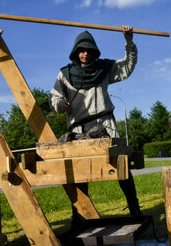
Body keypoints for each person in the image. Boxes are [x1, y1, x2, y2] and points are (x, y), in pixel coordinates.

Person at [49, 26, 142, 218]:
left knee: (120, 164)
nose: (85, 54)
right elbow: (53, 98)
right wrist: (61, 104)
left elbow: (127, 67)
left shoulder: (104, 69)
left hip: (105, 123)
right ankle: (80, 215)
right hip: (78, 127)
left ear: (94, 52)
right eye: (82, 50)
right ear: (76, 52)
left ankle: (134, 207)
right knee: (79, 172)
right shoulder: (64, 74)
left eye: (89, 50)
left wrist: (129, 42)